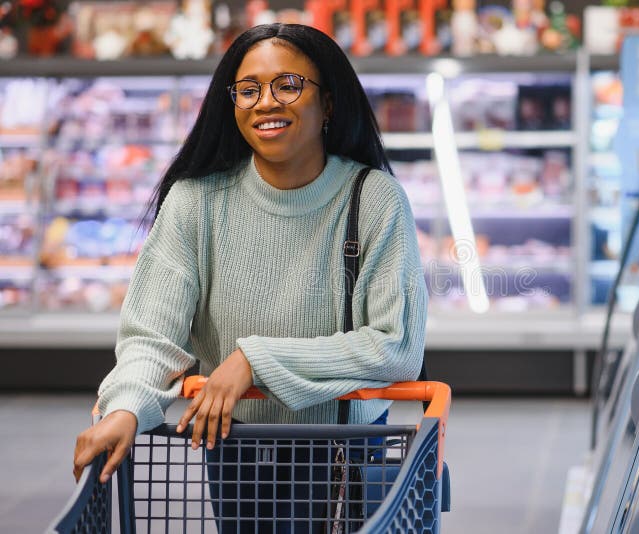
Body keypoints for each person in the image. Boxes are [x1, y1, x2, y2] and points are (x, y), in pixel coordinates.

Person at [72, 22, 427, 530]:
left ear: (328, 103)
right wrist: (124, 408)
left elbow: (397, 347)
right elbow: (152, 338)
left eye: (288, 85)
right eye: (249, 89)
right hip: (238, 451)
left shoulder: (374, 200)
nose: (266, 102)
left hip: (349, 454)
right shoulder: (196, 203)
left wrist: (254, 361)